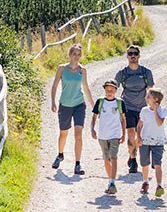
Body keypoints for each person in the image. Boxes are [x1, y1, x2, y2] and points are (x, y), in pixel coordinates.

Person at [50, 43, 94, 176]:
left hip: (79, 105)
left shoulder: (83, 70)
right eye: (74, 54)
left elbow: (85, 88)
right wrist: (53, 102)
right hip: (65, 105)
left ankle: (77, 163)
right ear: (70, 55)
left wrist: (94, 105)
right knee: (63, 133)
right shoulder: (62, 69)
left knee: (78, 135)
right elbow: (54, 86)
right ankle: (60, 155)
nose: (76, 57)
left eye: (79, 54)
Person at [117, 45, 155, 175]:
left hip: (143, 108)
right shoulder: (122, 73)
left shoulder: (146, 72)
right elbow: (112, 88)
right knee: (131, 133)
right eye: (130, 53)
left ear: (139, 56)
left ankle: (132, 153)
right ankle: (133, 160)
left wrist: (153, 107)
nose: (133, 56)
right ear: (127, 56)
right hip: (128, 107)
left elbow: (150, 90)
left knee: (142, 135)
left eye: (135, 53)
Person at [90, 79, 125, 194]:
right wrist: (92, 129)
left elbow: (123, 119)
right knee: (106, 159)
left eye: (112, 89)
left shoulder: (119, 102)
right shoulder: (100, 101)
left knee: (113, 157)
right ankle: (110, 181)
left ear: (115, 90)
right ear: (104, 90)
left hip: (115, 134)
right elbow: (94, 117)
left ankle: (113, 182)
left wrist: (124, 134)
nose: (109, 92)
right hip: (103, 135)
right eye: (107, 89)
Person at [136, 89, 167, 197]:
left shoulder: (163, 110)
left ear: (156, 99)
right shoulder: (144, 110)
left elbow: (159, 123)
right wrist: (138, 137)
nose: (146, 98)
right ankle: (145, 182)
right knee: (144, 163)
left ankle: (159, 185)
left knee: (157, 164)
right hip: (145, 140)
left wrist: (155, 111)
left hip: (158, 141)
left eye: (149, 96)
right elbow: (140, 124)